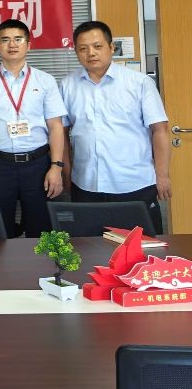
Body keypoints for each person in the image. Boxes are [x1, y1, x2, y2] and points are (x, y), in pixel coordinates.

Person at [61, 19, 170, 234]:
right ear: (76, 52)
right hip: (86, 184)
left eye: (97, 46)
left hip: (134, 183)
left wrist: (162, 176)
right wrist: (66, 171)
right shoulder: (67, 85)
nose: (91, 53)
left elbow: (160, 130)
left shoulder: (139, 83)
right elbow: (61, 133)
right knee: (90, 246)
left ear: (111, 47)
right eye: (83, 48)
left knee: (141, 246)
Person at [0, 19, 67, 239]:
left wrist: (56, 167)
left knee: (41, 230)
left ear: (29, 45)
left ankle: (39, 263)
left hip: (37, 165)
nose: (12, 44)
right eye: (5, 40)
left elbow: (55, 126)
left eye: (18, 39)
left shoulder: (45, 80)